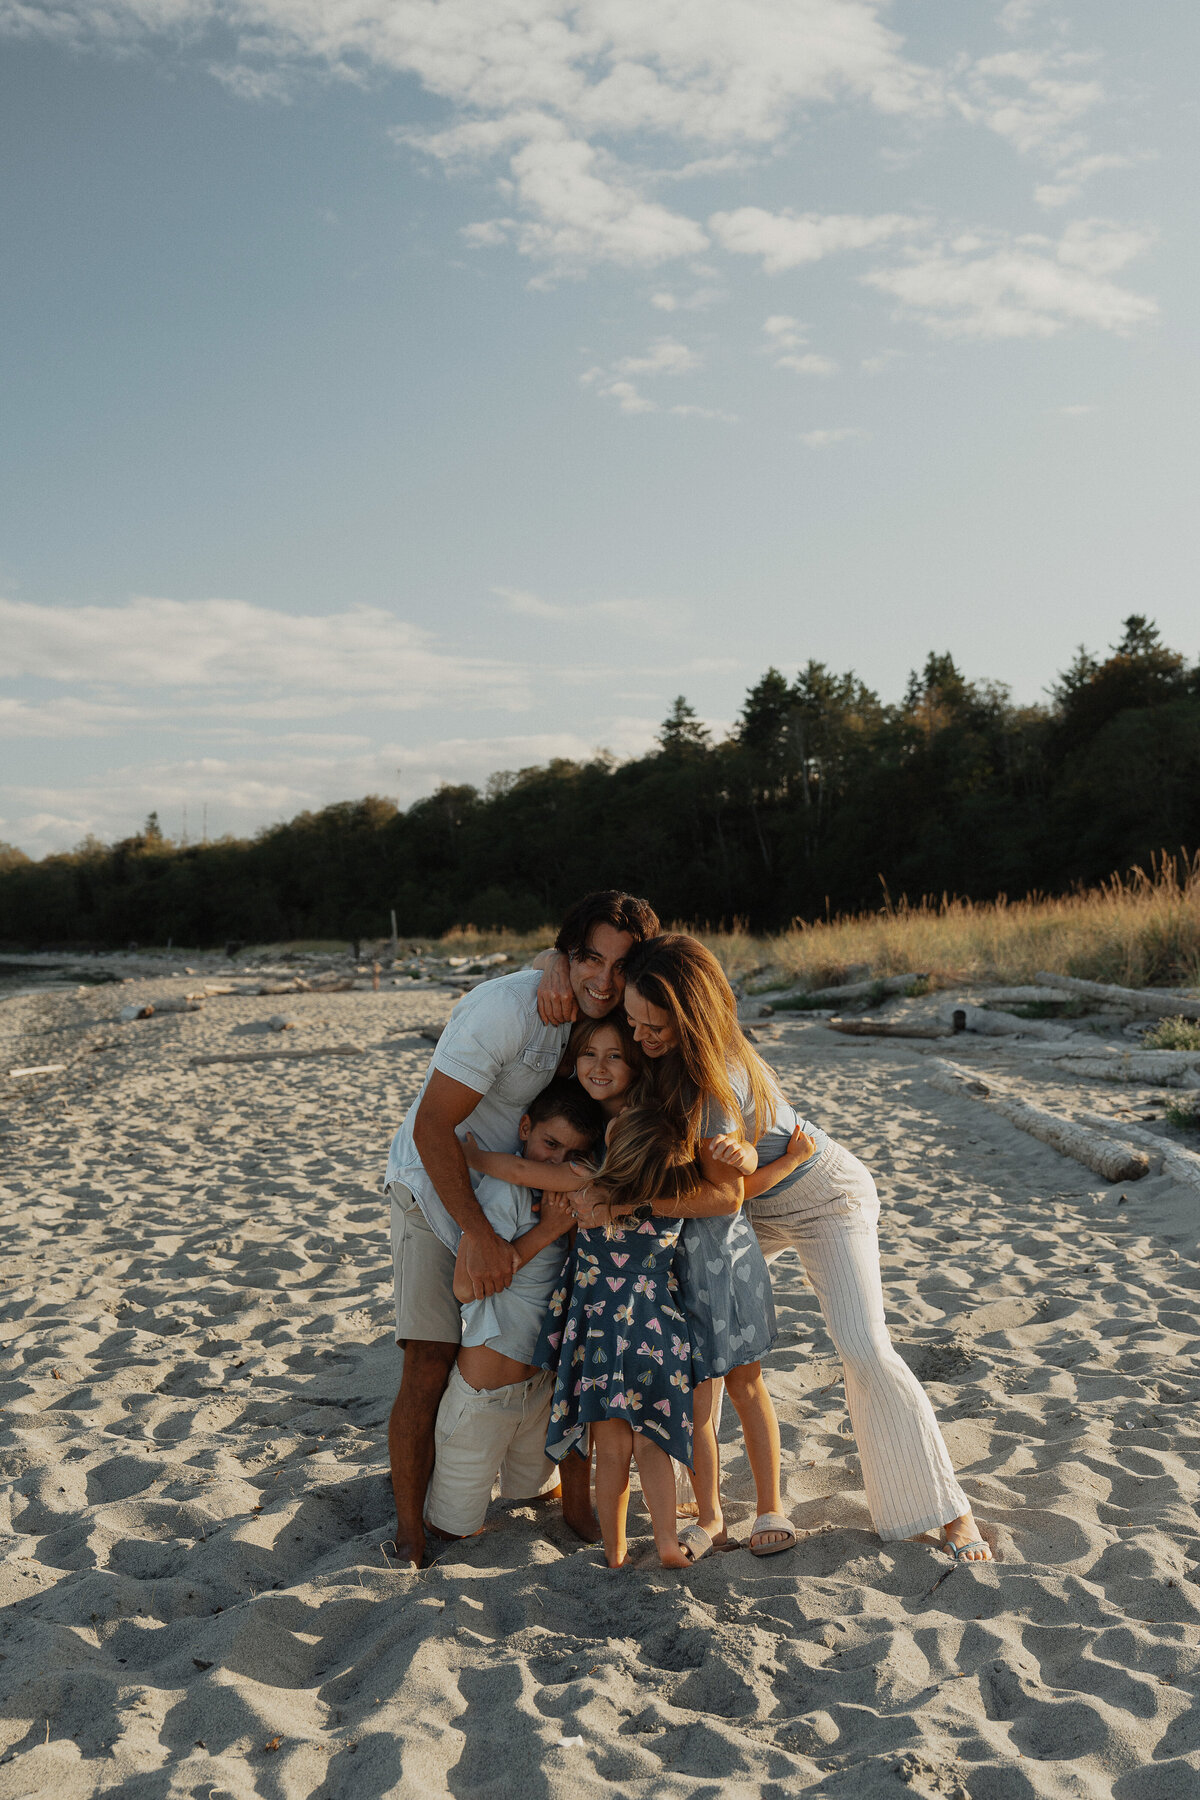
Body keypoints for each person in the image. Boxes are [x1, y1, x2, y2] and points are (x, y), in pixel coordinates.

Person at [620, 934, 993, 1566]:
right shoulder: (668, 1059)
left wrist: (637, 1203)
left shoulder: (717, 1082)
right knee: (674, 1317)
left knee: (864, 1347)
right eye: (633, 1021)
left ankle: (950, 1511)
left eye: (654, 1025)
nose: (640, 1035)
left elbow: (725, 1198)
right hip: (753, 1204)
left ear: (691, 1017)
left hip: (824, 1197)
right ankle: (695, 1494)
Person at [383, 888, 659, 1568]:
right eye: (587, 959)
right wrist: (476, 1233)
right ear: (567, 954)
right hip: (435, 1187)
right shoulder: (507, 1010)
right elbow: (431, 1126)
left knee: (565, 1349)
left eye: (619, 966)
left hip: (536, 1190)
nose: (601, 979)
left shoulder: (618, 1018)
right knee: (428, 1357)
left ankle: (558, 1497)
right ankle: (410, 1531)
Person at [424, 1081, 604, 1543]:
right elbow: (466, 1286)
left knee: (536, 1497)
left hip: (541, 1392)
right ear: (525, 1129)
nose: (555, 1162)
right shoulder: (505, 1193)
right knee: (454, 1530)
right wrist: (548, 1230)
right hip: (487, 1397)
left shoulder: (573, 1196)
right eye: (549, 1144)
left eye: (571, 1155)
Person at [542, 1106, 700, 1569]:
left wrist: (476, 1157)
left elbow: (518, 1168)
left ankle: (615, 1554)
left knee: (610, 1452)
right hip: (657, 1333)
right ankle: (668, 1544)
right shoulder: (674, 1203)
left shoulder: (588, 1194)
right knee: (654, 1444)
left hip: (602, 1336)